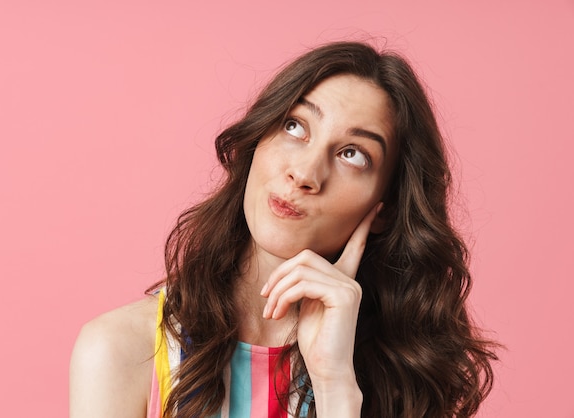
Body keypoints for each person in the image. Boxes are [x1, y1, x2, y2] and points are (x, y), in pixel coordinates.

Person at [70, 41, 498, 418]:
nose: (306, 173)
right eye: (294, 127)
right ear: (257, 139)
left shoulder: (401, 376)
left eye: (353, 154)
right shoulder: (121, 350)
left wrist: (335, 386)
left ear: (384, 208)